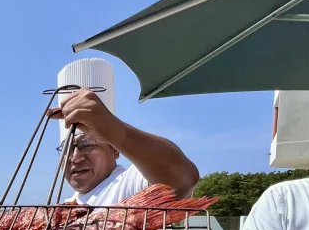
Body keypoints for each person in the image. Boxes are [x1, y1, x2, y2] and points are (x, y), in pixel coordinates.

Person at [46, 59, 199, 205]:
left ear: (115, 150)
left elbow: (182, 180)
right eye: (67, 149)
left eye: (86, 145)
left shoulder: (130, 184)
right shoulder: (65, 207)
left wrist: (116, 131)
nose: (75, 158)